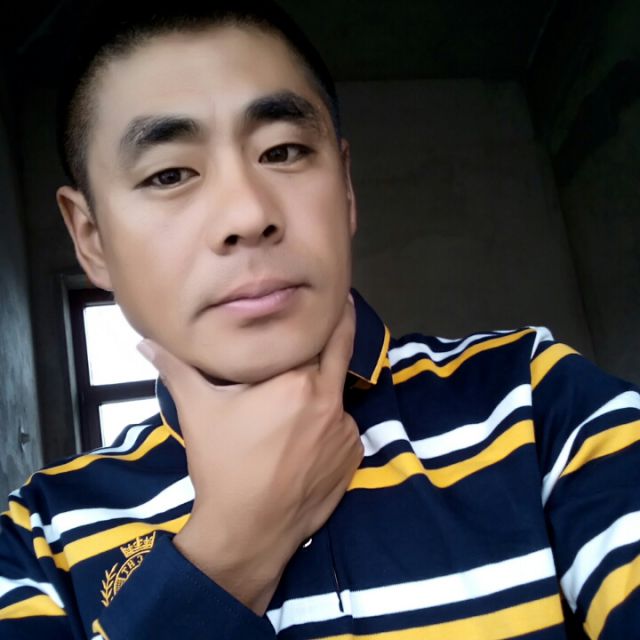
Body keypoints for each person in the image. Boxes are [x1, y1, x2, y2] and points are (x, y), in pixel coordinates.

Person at [1, 1, 639, 638]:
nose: (248, 215)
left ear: (347, 188)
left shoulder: (536, 402)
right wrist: (229, 555)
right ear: (91, 239)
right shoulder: (38, 539)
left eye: (282, 151)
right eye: (170, 174)